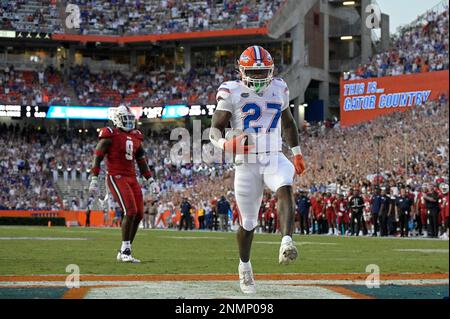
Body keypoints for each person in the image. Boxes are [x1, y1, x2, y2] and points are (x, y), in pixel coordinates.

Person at [209, 45, 306, 294]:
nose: (260, 77)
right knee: (248, 223)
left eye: (264, 72)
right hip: (246, 162)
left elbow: (288, 122)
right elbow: (214, 130)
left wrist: (297, 153)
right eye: (254, 71)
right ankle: (244, 267)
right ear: (242, 71)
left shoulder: (279, 88)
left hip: (274, 155)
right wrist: (225, 144)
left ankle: (286, 241)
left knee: (285, 187)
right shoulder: (231, 90)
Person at [89, 105, 153, 263]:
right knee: (130, 211)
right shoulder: (110, 134)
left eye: (131, 119)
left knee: (138, 214)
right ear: (117, 119)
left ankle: (125, 250)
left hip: (132, 177)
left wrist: (150, 179)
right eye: (126, 119)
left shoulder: (136, 136)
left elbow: (141, 160)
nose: (129, 122)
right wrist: (94, 177)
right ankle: (125, 251)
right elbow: (98, 155)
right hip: (116, 176)